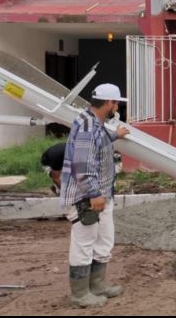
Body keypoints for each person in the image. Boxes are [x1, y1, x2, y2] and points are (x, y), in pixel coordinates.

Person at [59, 83, 130, 308]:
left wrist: (113, 136)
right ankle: (80, 294)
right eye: (116, 103)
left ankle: (97, 286)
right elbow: (83, 163)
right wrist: (93, 193)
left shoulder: (94, 123)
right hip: (87, 197)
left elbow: (96, 144)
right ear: (109, 103)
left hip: (101, 195)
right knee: (84, 242)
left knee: (103, 240)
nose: (117, 106)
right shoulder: (89, 127)